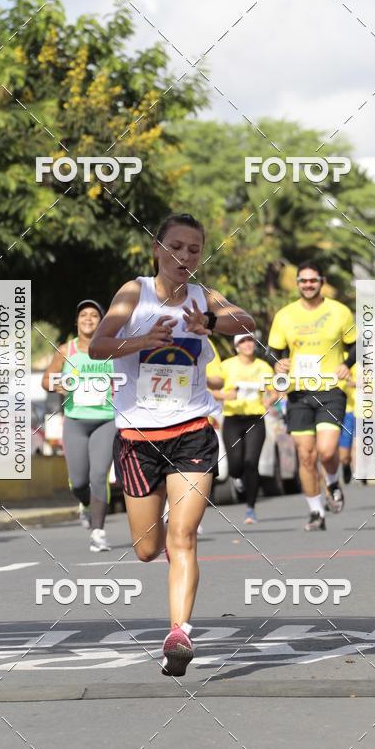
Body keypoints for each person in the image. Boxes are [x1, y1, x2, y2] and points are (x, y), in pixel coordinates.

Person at [90, 212, 255, 676]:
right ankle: (157, 538)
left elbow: (249, 321)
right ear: (157, 250)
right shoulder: (133, 292)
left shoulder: (203, 299)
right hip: (137, 437)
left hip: (192, 431)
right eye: (176, 247)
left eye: (194, 250)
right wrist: (143, 338)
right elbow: (97, 346)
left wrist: (212, 322)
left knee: (184, 537)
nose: (185, 256)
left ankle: (178, 633)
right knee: (147, 548)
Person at [267, 261, 356, 531]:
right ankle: (316, 512)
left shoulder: (339, 312)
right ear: (297, 284)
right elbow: (272, 350)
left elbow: (356, 347)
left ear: (321, 281)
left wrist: (346, 364)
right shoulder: (285, 315)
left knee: (327, 451)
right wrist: (277, 363)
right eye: (303, 281)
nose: (308, 285)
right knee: (305, 456)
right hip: (299, 392)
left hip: (330, 389)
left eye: (313, 280)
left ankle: (331, 480)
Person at [42, 300, 116, 553]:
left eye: (94, 315)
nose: (88, 319)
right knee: (79, 481)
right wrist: (55, 384)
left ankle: (98, 532)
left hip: (106, 420)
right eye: (83, 315)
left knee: (99, 475)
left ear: (101, 321)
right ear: (77, 321)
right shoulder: (66, 350)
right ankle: (85, 505)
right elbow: (46, 379)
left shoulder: (111, 349)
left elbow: (128, 378)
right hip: (75, 421)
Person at [212, 332, 275, 524]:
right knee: (235, 464)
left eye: (250, 341)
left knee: (251, 462)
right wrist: (225, 396)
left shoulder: (263, 367)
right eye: (243, 341)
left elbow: (273, 392)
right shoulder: (227, 365)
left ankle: (250, 508)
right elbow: (213, 390)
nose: (247, 344)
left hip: (255, 419)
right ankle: (236, 478)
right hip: (232, 419)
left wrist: (269, 399)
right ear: (236, 346)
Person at [338, 362, 357, 485]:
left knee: (355, 447)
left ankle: (354, 469)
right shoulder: (333, 362)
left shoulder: (359, 364)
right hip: (338, 411)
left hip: (355, 411)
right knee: (341, 455)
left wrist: (356, 383)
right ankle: (345, 466)